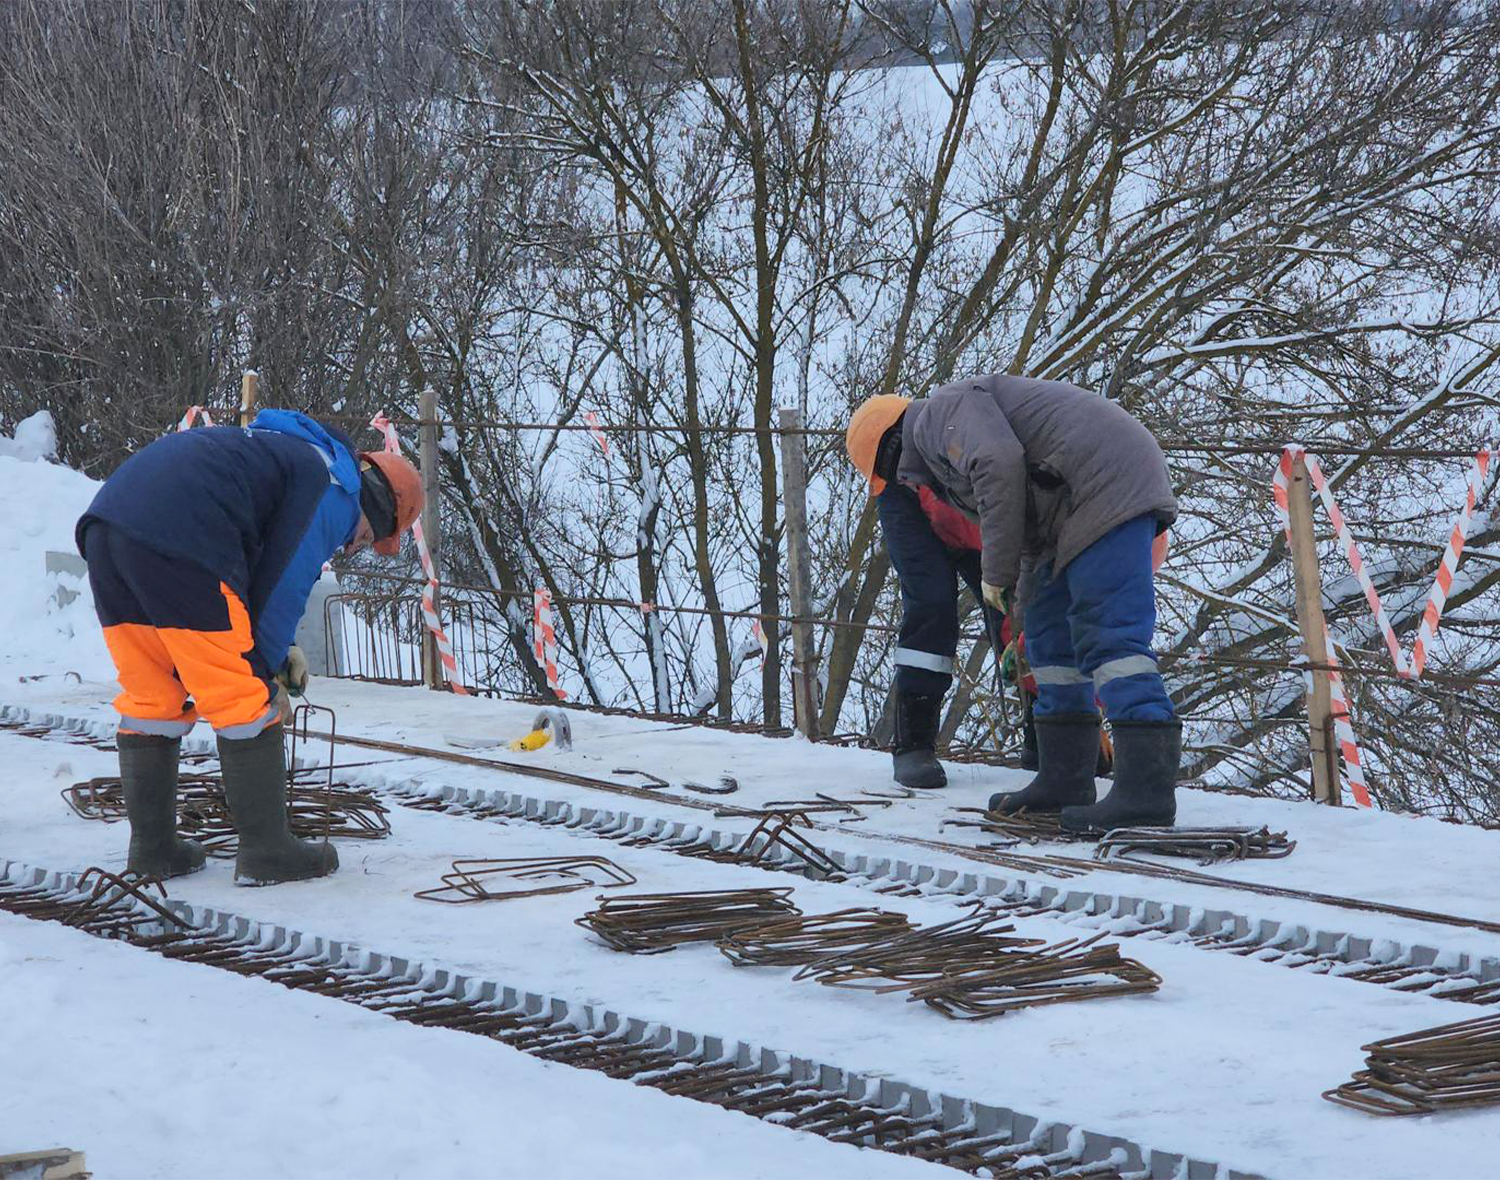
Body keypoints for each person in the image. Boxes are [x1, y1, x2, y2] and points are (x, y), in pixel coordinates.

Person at [76, 410, 423, 884]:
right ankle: (267, 851)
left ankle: (153, 849)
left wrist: (280, 654)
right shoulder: (336, 490)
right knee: (241, 698)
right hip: (183, 539)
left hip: (108, 527)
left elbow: (259, 579)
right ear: (378, 510)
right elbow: (282, 589)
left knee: (152, 695)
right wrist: (265, 680)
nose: (354, 545)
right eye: (368, 537)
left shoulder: (288, 455)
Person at [845, 375, 1179, 831]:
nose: (902, 480)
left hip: (1106, 485)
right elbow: (1022, 516)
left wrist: (995, 578)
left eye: (892, 468)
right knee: (1047, 635)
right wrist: (1019, 604)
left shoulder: (940, 413)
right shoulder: (942, 454)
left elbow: (999, 466)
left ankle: (1146, 792)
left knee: (1109, 635)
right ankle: (1065, 778)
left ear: (893, 444)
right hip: (1068, 506)